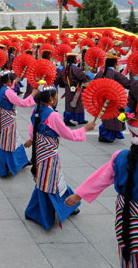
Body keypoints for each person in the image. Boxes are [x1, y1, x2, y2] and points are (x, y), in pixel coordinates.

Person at [64, 115, 138, 267]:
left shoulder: (120, 156)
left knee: (128, 258)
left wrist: (79, 194)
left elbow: (100, 178)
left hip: (124, 221)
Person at [23, 86, 95, 230]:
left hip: (40, 151)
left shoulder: (36, 109)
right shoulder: (53, 115)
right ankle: (48, 212)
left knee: (48, 180)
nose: (57, 98)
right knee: (49, 182)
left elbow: (33, 127)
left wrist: (31, 139)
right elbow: (68, 133)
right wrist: (84, 129)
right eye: (56, 96)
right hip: (49, 153)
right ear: (50, 99)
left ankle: (66, 206)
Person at [0, 71, 37, 177]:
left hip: (3, 118)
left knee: (9, 141)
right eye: (13, 80)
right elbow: (22, 103)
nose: (14, 83)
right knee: (9, 143)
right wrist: (32, 94)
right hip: (9, 120)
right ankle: (4, 167)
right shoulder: (8, 92)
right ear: (9, 81)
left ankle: (20, 161)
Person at [94, 53, 131, 143]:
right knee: (113, 118)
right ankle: (106, 135)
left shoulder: (100, 73)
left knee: (106, 117)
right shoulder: (115, 74)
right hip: (113, 100)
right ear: (115, 64)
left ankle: (105, 134)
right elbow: (127, 84)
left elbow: (94, 84)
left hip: (102, 99)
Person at [56, 53, 90, 127]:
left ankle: (67, 119)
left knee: (69, 103)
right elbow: (83, 78)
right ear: (74, 60)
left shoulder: (64, 68)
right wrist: (90, 74)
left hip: (68, 89)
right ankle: (79, 119)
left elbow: (59, 78)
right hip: (77, 88)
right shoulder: (76, 69)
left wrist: (55, 83)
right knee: (78, 104)